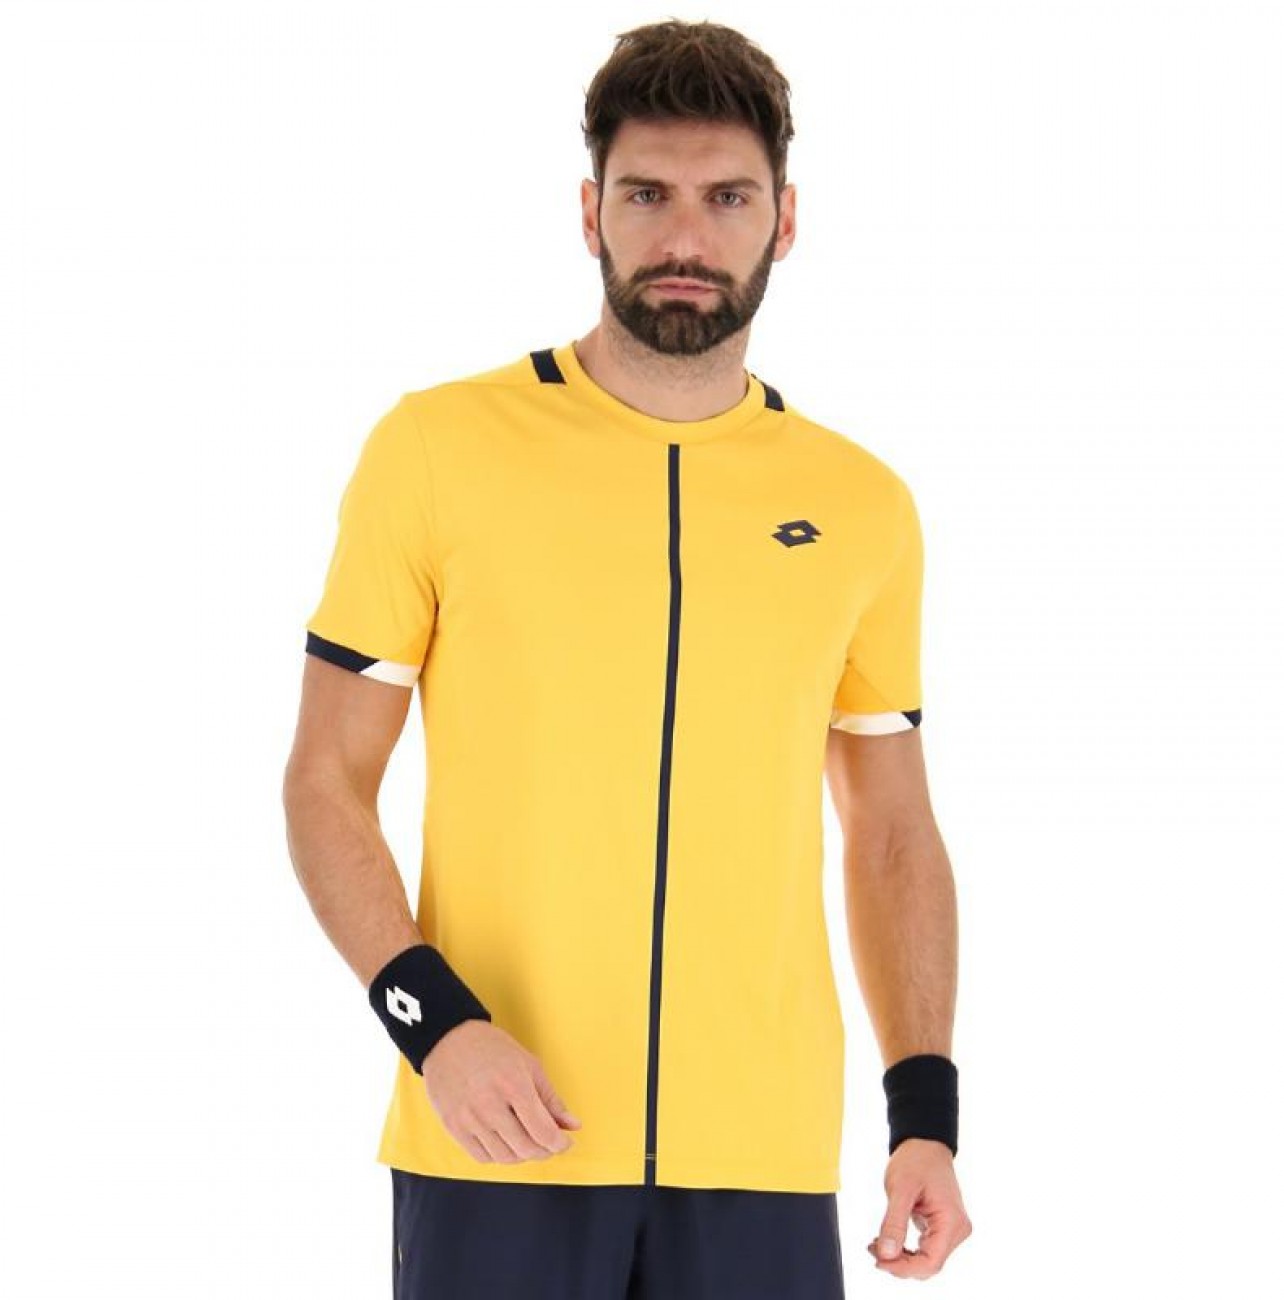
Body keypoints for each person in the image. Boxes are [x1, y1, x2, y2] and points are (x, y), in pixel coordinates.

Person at [283, 17, 972, 1298]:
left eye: (728, 198)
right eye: (647, 195)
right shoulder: (437, 448)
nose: (685, 239)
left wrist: (922, 1114)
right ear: (589, 212)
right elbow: (325, 780)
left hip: (762, 1157)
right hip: (497, 1133)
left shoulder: (861, 503)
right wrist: (433, 1025)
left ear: (784, 220)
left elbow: (890, 832)